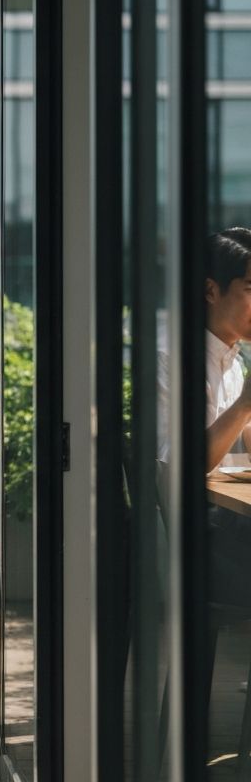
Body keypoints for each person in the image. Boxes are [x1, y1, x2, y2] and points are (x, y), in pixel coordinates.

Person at [157, 228, 251, 607]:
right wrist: (244, 405)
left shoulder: (232, 360)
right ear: (212, 291)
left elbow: (238, 441)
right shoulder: (173, 359)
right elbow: (178, 466)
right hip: (200, 547)